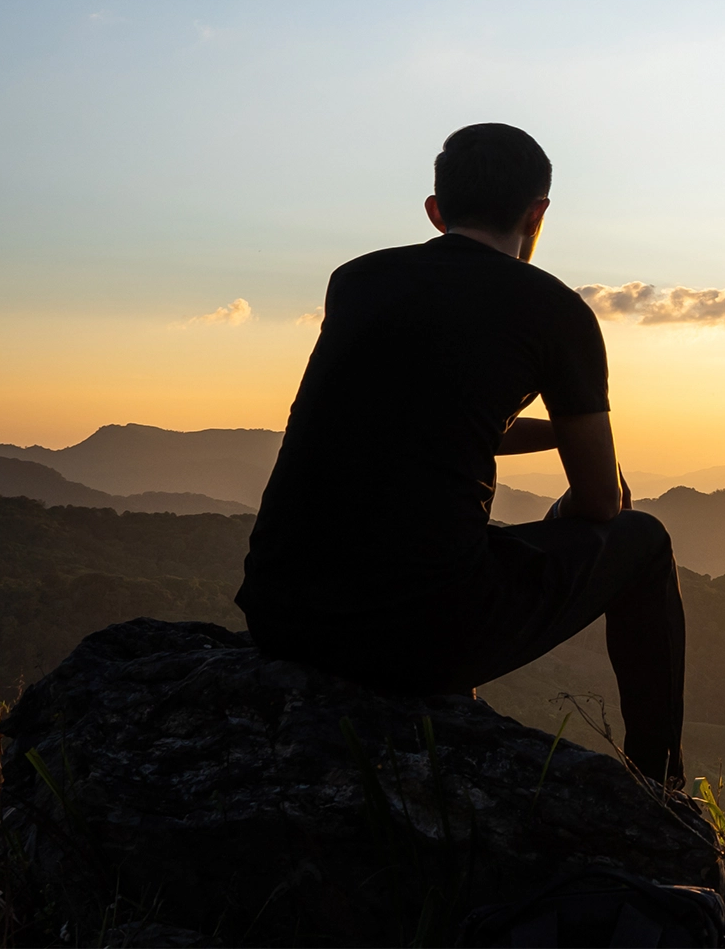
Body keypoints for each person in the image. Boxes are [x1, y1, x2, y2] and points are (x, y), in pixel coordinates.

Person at [236, 122, 685, 788]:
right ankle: (659, 786)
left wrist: (560, 434)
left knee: (454, 547)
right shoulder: (556, 312)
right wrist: (582, 446)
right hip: (419, 640)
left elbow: (428, 420)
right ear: (538, 215)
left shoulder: (357, 280)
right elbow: (598, 504)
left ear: (436, 210)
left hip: (280, 613)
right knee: (643, 542)